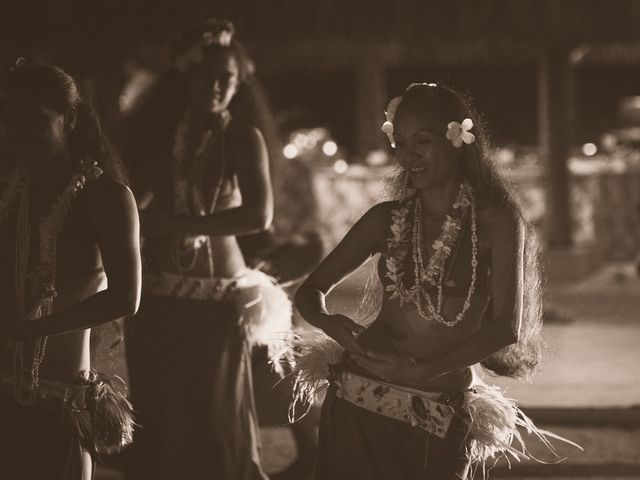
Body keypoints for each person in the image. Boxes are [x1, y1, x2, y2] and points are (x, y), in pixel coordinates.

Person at [291, 82, 579, 479]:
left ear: (456, 140)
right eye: (401, 143)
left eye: (422, 141)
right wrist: (328, 322)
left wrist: (424, 373)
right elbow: (310, 292)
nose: (409, 156)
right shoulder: (385, 219)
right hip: (359, 395)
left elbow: (505, 327)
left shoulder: (495, 221)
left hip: (439, 403)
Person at [120, 18, 290, 480]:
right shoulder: (159, 136)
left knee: (212, 408)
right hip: (156, 289)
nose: (216, 86)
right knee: (159, 405)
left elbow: (259, 216)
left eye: (227, 79)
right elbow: (137, 199)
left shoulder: (242, 137)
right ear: (185, 76)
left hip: (214, 293)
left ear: (238, 83)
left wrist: (178, 223)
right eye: (206, 75)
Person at [0, 62, 140, 480]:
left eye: (35, 119)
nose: (19, 131)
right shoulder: (8, 194)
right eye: (9, 118)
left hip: (59, 399)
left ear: (71, 119)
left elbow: (125, 297)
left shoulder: (107, 198)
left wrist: (27, 331)